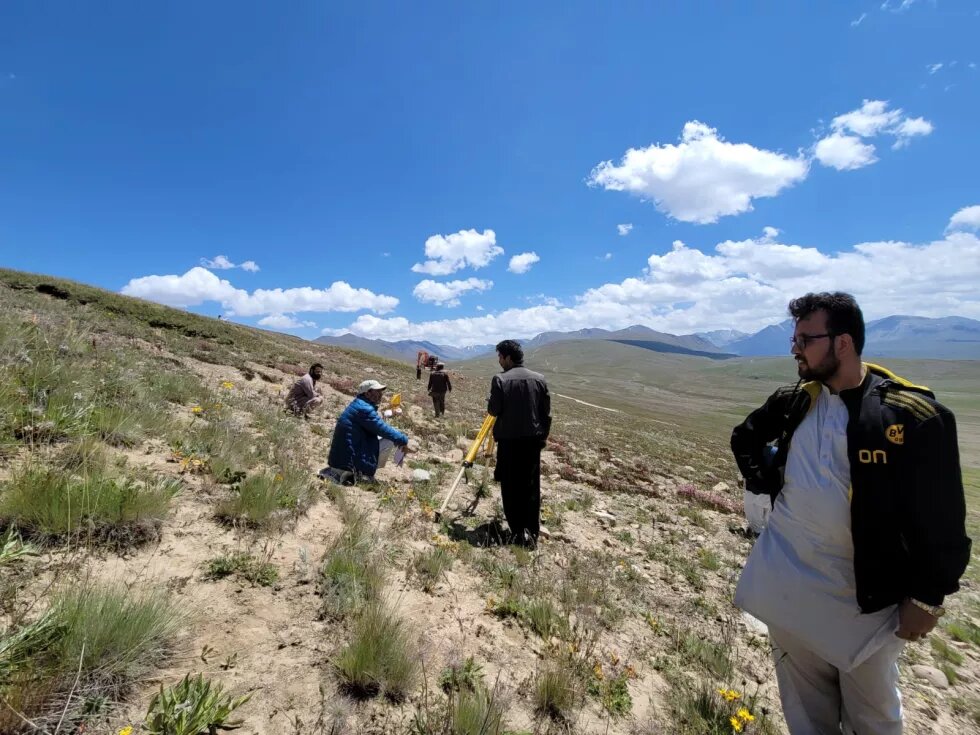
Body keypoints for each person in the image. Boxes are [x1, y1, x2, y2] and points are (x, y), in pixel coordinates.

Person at [731, 292, 970, 734]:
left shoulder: (910, 416)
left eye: (806, 338)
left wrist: (928, 598)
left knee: (874, 719)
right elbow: (743, 438)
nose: (794, 348)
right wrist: (765, 482)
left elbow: (942, 520)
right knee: (805, 714)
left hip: (865, 602)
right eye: (795, 337)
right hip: (790, 589)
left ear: (842, 342)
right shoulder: (793, 402)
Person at [487, 340, 551, 547]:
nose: (499, 361)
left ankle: (516, 532)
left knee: (511, 486)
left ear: (507, 357)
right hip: (533, 442)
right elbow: (546, 413)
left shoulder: (500, 380)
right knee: (531, 486)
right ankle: (531, 534)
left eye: (500, 357)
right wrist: (543, 438)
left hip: (509, 442)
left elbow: (493, 411)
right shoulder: (539, 379)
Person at [321, 379, 410, 483]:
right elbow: (383, 429)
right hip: (347, 462)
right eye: (377, 391)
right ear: (367, 393)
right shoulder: (364, 409)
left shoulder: (359, 404)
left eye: (381, 391)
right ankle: (364, 474)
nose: (380, 394)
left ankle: (360, 471)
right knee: (389, 440)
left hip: (341, 459)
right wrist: (404, 440)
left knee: (387, 437)